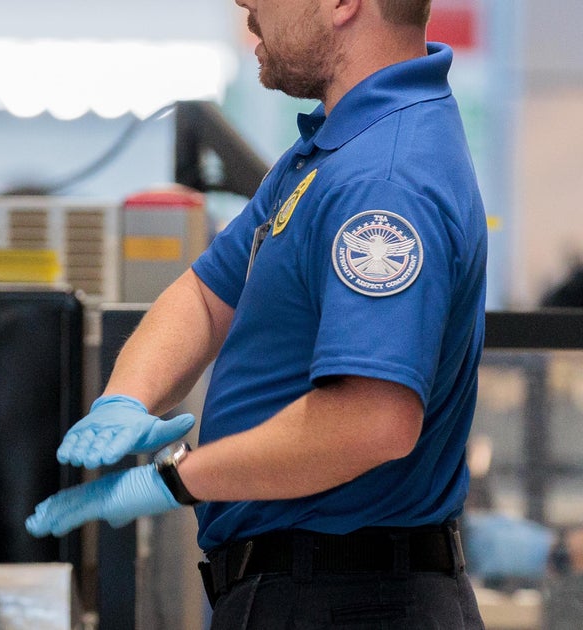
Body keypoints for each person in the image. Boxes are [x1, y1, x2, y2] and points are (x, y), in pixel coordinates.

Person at [26, 0, 488, 626]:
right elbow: (205, 295)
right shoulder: (333, 148)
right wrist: (125, 399)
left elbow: (371, 419)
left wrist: (176, 480)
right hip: (308, 590)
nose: (244, 2)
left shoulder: (383, 177)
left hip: (350, 598)